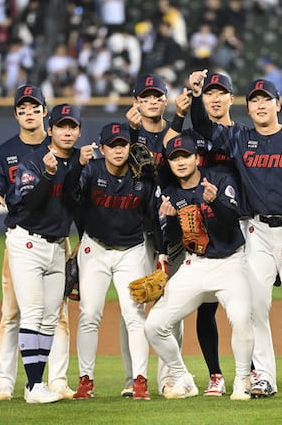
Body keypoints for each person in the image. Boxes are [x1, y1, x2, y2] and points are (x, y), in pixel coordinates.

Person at [167, 73, 282, 398]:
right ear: (247, 108)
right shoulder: (239, 138)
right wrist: (196, 96)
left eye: (266, 100)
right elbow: (203, 126)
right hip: (257, 230)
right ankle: (264, 377)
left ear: (278, 104)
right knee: (256, 308)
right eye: (255, 101)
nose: (261, 105)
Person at [0, 85, 74, 402]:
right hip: (23, 238)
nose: (29, 113)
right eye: (23, 109)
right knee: (12, 313)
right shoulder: (5, 152)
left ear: (45, 111)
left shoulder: (62, 145)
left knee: (57, 314)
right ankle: (5, 383)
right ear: (15, 114)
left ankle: (56, 381)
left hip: (58, 239)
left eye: (34, 108)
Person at [144, 135, 254, 401]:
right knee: (154, 325)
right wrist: (171, 220)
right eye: (175, 158)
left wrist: (215, 201)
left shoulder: (219, 179)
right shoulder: (170, 194)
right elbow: (174, 237)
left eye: (185, 156)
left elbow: (232, 220)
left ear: (197, 158)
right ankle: (182, 378)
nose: (180, 162)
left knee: (240, 318)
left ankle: (242, 380)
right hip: (195, 265)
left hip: (230, 264)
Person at [63, 122, 161, 401]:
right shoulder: (91, 170)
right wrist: (78, 167)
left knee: (134, 315)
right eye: (112, 145)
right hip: (95, 248)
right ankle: (85, 381)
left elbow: (153, 217)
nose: (118, 150)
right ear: (102, 148)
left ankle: (140, 381)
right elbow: (70, 197)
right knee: (89, 314)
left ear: (129, 147)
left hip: (132, 251)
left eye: (123, 145)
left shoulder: (142, 176)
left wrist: (162, 253)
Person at [6, 101, 83, 403]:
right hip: (27, 242)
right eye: (61, 126)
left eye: (72, 126)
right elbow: (32, 204)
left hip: (57, 245)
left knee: (51, 317)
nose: (67, 132)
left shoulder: (78, 160)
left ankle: (35, 385)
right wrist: (49, 175)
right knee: (33, 312)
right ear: (50, 130)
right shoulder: (34, 161)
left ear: (79, 131)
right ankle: (35, 384)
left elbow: (78, 202)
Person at [122, 73, 181, 396]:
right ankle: (133, 377)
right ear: (136, 102)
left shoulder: (177, 132)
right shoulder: (124, 136)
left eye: (157, 96)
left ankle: (170, 377)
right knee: (133, 304)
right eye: (145, 97)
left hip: (172, 229)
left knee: (172, 305)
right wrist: (131, 134)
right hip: (136, 230)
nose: (152, 102)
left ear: (165, 100)